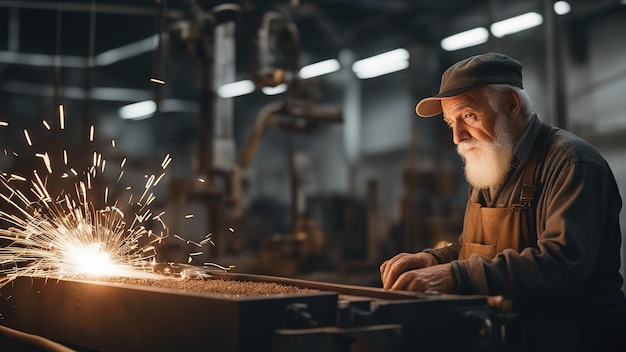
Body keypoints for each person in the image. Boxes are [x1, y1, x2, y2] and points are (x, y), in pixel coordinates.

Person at [379, 52, 626, 351]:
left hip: (575, 338)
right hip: (514, 336)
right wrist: (436, 259)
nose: (458, 137)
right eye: (450, 122)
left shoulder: (573, 162)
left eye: (468, 116)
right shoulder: (492, 159)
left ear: (510, 104)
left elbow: (563, 265)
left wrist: (455, 275)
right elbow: (476, 248)